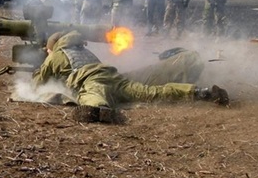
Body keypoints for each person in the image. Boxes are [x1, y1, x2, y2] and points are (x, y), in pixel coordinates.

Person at [31, 30, 229, 123]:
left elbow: (38, 82)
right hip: (114, 77)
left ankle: (102, 111)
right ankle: (199, 92)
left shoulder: (56, 55)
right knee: (151, 93)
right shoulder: (85, 51)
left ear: (53, 46)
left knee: (91, 103)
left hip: (93, 82)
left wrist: (42, 67)